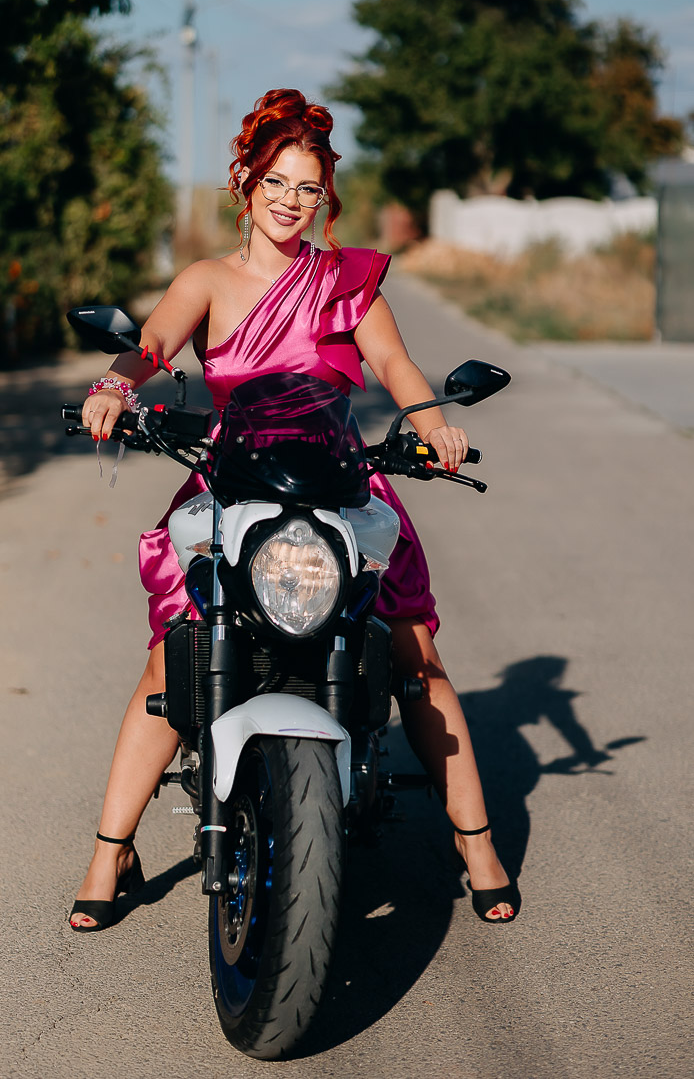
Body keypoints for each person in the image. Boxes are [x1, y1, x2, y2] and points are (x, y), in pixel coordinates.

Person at [69, 89, 520, 931]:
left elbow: (398, 367)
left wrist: (434, 428)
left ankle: (478, 844)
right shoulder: (207, 280)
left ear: (325, 200)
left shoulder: (346, 283)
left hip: (340, 479)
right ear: (245, 182)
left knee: (414, 654)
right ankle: (109, 850)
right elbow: (152, 342)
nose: (290, 200)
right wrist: (112, 387)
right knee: (173, 658)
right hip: (232, 479)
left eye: (308, 188)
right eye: (276, 181)